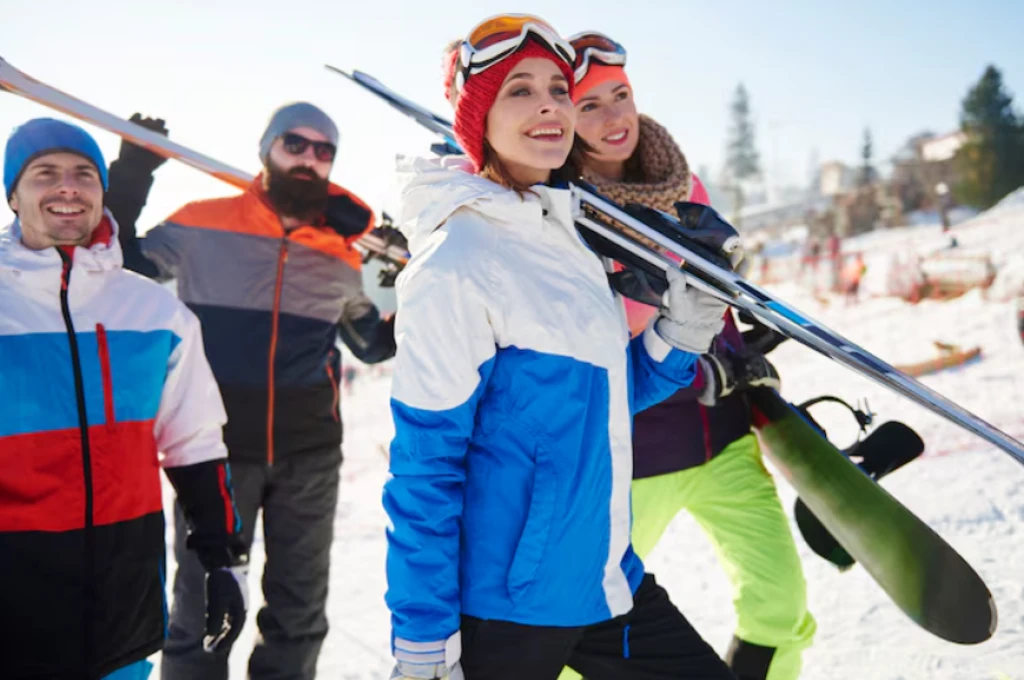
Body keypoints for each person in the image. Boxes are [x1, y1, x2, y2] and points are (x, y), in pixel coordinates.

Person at [384, 15, 736, 680]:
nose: (549, 105)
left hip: (605, 579)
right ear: (478, 120)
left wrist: (679, 334)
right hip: (508, 608)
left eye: (557, 89)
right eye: (519, 90)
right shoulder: (457, 259)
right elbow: (425, 465)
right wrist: (423, 639)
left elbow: (594, 403)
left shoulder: (569, 237)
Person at [105, 105, 396, 680]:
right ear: (266, 148)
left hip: (310, 455)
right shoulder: (201, 223)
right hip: (213, 453)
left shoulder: (340, 253)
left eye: (324, 151)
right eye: (296, 144)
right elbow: (118, 263)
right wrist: (132, 175)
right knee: (201, 610)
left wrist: (412, 282)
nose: (310, 158)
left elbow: (372, 345)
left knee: (299, 614)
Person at [564, 32, 816, 680]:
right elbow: (588, 339)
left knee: (781, 607)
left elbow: (710, 294)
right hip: (637, 455)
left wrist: (739, 346)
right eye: (589, 105)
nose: (614, 116)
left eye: (620, 94)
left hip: (723, 439)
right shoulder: (561, 209)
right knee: (577, 628)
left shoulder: (683, 183)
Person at [0, 118, 246, 680]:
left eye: (84, 173)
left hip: (123, 616)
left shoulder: (156, 313)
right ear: (13, 195)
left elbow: (195, 444)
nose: (68, 186)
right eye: (45, 173)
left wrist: (223, 561)